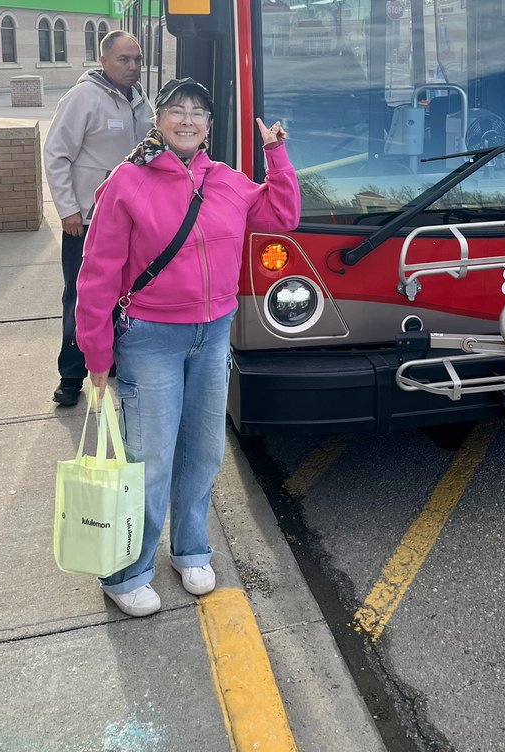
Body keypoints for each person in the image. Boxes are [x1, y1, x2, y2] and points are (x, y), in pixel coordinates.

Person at [74, 78, 300, 617]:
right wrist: (96, 354)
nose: (188, 119)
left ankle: (191, 548)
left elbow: (281, 216)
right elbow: (97, 273)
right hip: (149, 337)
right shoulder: (125, 182)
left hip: (212, 332)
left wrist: (276, 154)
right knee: (148, 458)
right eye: (177, 109)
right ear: (159, 120)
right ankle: (126, 570)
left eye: (198, 112)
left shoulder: (226, 180)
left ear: (208, 126)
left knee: (202, 451)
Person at [44, 31, 153, 406]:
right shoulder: (83, 98)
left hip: (131, 221)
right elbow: (56, 154)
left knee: (123, 295)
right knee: (81, 298)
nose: (133, 66)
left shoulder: (141, 101)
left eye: (137, 59)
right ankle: (72, 375)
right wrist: (68, 209)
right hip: (87, 222)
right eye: (124, 59)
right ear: (104, 60)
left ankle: (110, 362)